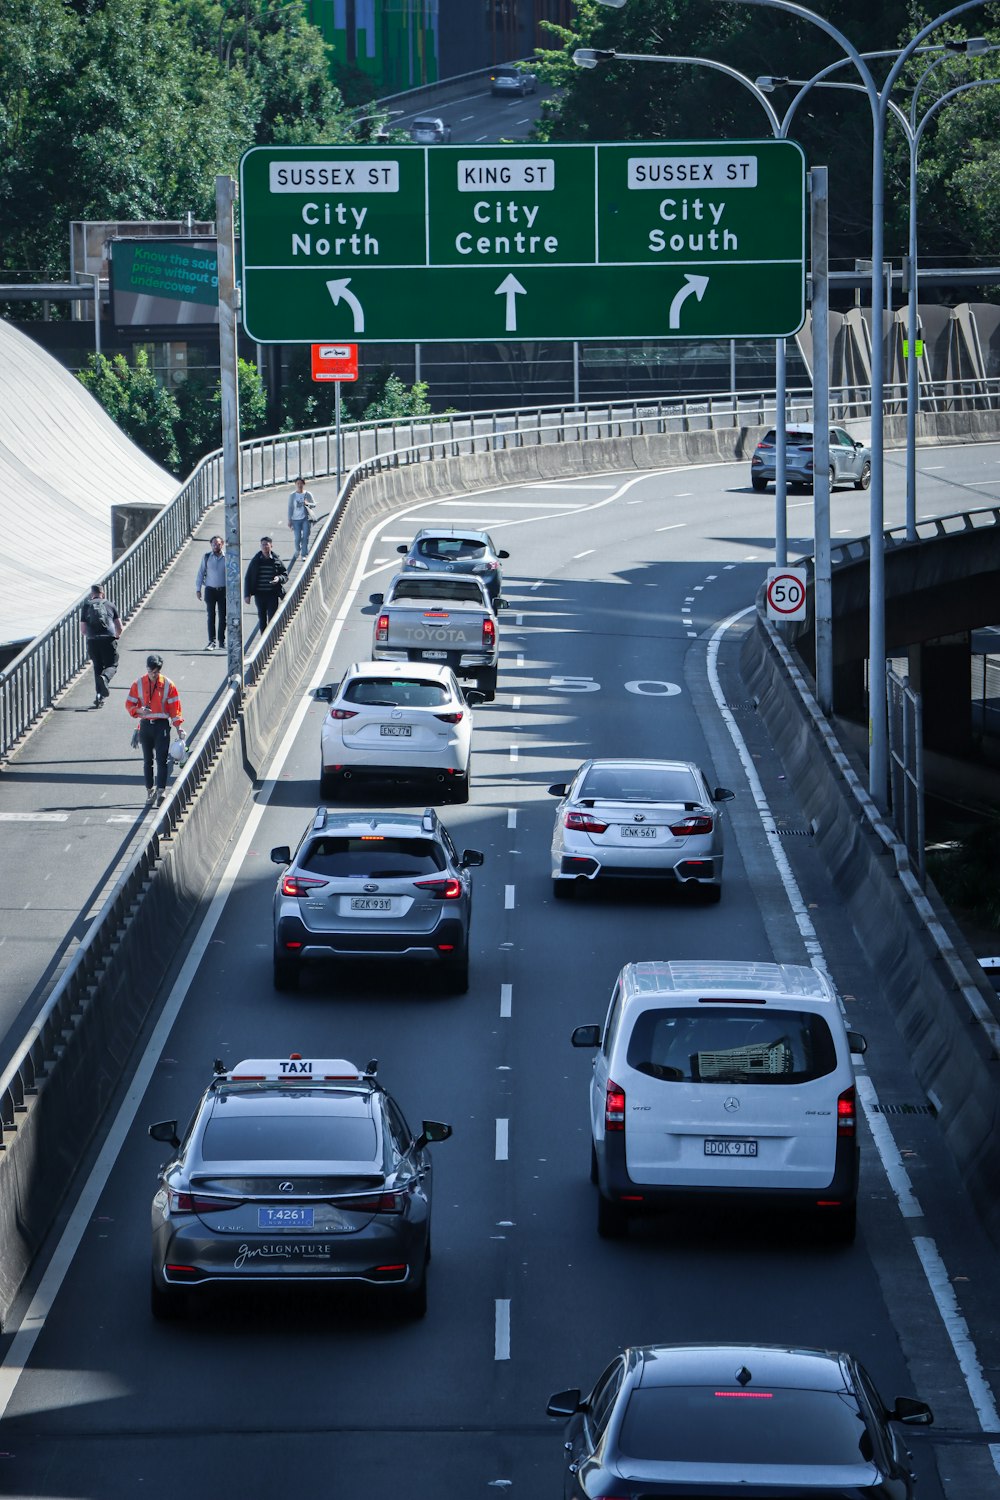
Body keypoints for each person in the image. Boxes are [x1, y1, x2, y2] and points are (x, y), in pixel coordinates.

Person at [125, 654, 184, 807]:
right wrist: (138, 711)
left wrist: (178, 728)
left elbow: (174, 709)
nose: (153, 674)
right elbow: (129, 704)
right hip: (145, 725)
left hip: (161, 725)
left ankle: (161, 791)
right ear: (147, 669)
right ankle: (149, 790)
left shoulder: (168, 685)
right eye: (151, 671)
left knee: (162, 760)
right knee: (147, 761)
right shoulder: (138, 683)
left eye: (156, 672)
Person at [80, 583, 122, 707]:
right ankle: (106, 677)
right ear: (103, 593)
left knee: (97, 666)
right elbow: (119, 626)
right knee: (112, 664)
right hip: (108, 639)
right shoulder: (110, 605)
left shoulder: (87, 605)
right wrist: (117, 635)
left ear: (92, 594)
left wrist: (91, 635)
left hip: (93, 640)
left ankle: (99, 696)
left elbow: (82, 630)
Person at [244, 536, 288, 634]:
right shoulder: (256, 561)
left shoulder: (276, 561)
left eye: (267, 545)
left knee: (272, 617)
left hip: (272, 594)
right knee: (262, 616)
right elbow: (248, 577)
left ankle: (272, 636)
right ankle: (264, 637)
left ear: (271, 546)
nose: (265, 547)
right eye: (263, 545)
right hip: (259, 594)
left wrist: (278, 578)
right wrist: (247, 595)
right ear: (260, 546)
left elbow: (285, 575)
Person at [195, 534, 226, 650]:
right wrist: (198, 589)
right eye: (214, 544)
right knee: (211, 616)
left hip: (223, 590)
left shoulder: (226, 557)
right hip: (210, 590)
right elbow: (200, 573)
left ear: (222, 544)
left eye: (218, 544)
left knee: (223, 617)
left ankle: (221, 641)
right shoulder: (207, 557)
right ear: (211, 545)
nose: (216, 546)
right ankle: (211, 642)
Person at [287, 477, 316, 562]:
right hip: (295, 520)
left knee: (305, 537)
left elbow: (314, 504)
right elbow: (290, 508)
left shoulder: (308, 494)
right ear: (295, 484)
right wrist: (289, 520)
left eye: (301, 483)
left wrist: (308, 503)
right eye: (298, 483)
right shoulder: (292, 495)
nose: (299, 485)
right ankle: (297, 549)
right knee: (297, 538)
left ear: (304, 484)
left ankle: (304, 554)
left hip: (305, 519)